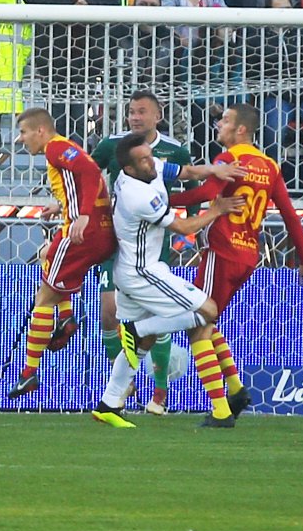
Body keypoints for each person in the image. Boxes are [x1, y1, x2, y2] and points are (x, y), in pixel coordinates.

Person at [92, 129, 248, 430]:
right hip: (143, 272)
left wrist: (214, 170)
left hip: (130, 269)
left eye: (150, 156)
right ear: (129, 168)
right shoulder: (138, 196)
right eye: (144, 160)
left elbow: (186, 171)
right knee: (208, 311)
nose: (152, 162)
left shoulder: (144, 168)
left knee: (143, 344)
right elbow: (183, 227)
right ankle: (137, 328)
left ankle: (108, 404)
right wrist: (216, 210)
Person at [199, 103, 303, 403]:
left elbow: (204, 194)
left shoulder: (229, 159)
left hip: (221, 250)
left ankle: (221, 409)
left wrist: (161, 201)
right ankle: (237, 390)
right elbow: (290, 216)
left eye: (225, 120)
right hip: (248, 256)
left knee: (196, 324)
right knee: (206, 322)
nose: (219, 124)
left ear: (241, 129)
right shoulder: (269, 165)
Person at [4, 106, 116, 402]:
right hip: (99, 232)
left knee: (43, 298)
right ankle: (66, 318)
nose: (21, 139)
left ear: (40, 130)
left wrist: (83, 215)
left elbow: (91, 172)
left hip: (83, 233)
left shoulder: (55, 148)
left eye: (24, 132)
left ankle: (29, 373)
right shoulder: (63, 148)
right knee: (47, 256)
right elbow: (82, 179)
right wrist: (64, 206)